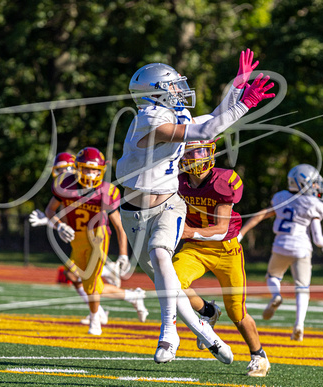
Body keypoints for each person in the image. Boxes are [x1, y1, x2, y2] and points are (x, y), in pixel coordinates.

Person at [116, 48, 275, 363]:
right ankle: (208, 333)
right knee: (169, 286)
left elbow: (214, 119)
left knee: (162, 255)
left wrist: (238, 85)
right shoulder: (149, 120)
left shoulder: (171, 115)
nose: (179, 90)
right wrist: (246, 102)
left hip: (170, 205)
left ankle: (168, 334)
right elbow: (207, 129)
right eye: (172, 86)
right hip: (134, 213)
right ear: (156, 92)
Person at [174, 139, 271, 376]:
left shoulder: (223, 181)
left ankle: (259, 355)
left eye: (203, 151)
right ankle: (207, 311)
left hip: (226, 251)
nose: (198, 157)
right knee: (171, 280)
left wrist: (183, 231)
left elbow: (219, 229)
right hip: (195, 248)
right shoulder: (176, 180)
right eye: (192, 152)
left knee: (237, 312)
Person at [45, 147, 148, 335]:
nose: (91, 175)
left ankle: (96, 319)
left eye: (95, 171)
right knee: (83, 280)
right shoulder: (65, 185)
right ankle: (133, 296)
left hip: (98, 236)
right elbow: (50, 211)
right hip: (77, 238)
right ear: (77, 168)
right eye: (87, 169)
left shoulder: (104, 192)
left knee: (90, 281)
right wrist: (59, 225)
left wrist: (124, 254)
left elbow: (118, 225)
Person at [240, 164, 323, 342]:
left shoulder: (281, 198)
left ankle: (276, 295)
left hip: (280, 246)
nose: (316, 187)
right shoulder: (313, 204)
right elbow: (318, 238)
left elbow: (260, 215)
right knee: (302, 287)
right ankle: (299, 324)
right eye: (313, 183)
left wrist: (241, 234)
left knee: (273, 277)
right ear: (303, 183)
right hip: (302, 249)